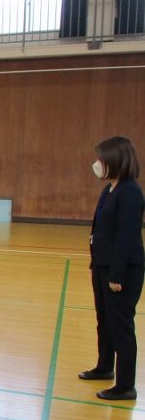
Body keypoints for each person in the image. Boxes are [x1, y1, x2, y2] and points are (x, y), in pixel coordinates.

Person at [79, 136, 144, 401]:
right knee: (104, 320)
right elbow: (101, 231)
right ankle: (104, 366)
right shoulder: (109, 189)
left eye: (100, 159)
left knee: (121, 326)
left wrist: (116, 274)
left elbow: (127, 236)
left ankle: (125, 385)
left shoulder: (130, 192)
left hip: (122, 270)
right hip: (103, 266)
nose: (96, 164)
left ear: (115, 161)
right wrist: (97, 263)